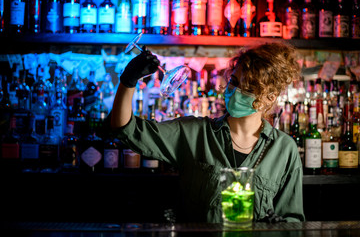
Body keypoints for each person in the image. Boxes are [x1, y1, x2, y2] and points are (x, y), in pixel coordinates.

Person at [110, 43, 305, 223]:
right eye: (234, 81)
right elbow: (126, 129)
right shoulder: (194, 132)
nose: (235, 91)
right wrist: (128, 81)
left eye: (248, 87)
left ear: (269, 97)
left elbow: (292, 220)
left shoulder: (284, 150)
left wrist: (278, 227)